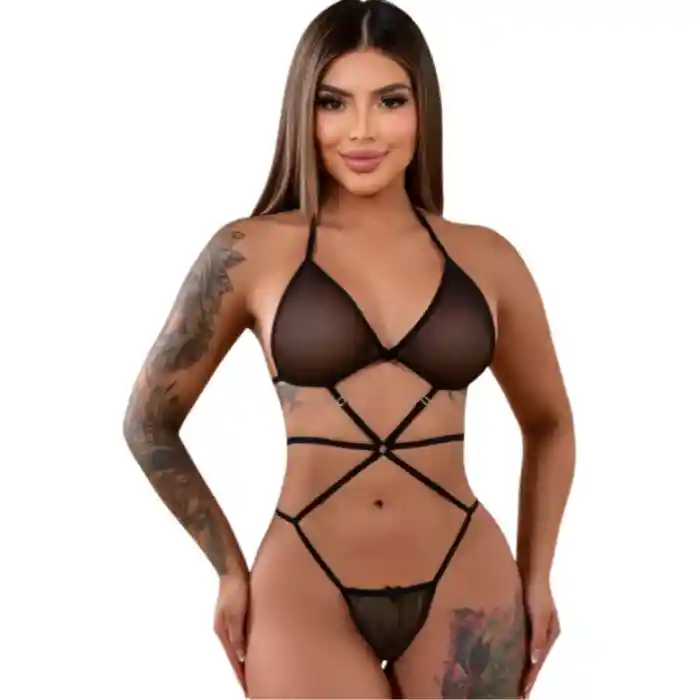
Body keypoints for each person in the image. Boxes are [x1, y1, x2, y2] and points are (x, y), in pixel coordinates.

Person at [122, 0, 576, 697]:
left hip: (466, 572)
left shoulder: (488, 259)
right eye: (333, 103)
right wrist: (228, 568)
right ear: (302, 113)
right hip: (304, 583)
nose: (362, 130)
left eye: (390, 101)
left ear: (424, 110)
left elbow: (550, 423)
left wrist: (537, 574)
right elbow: (148, 422)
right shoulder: (250, 251)